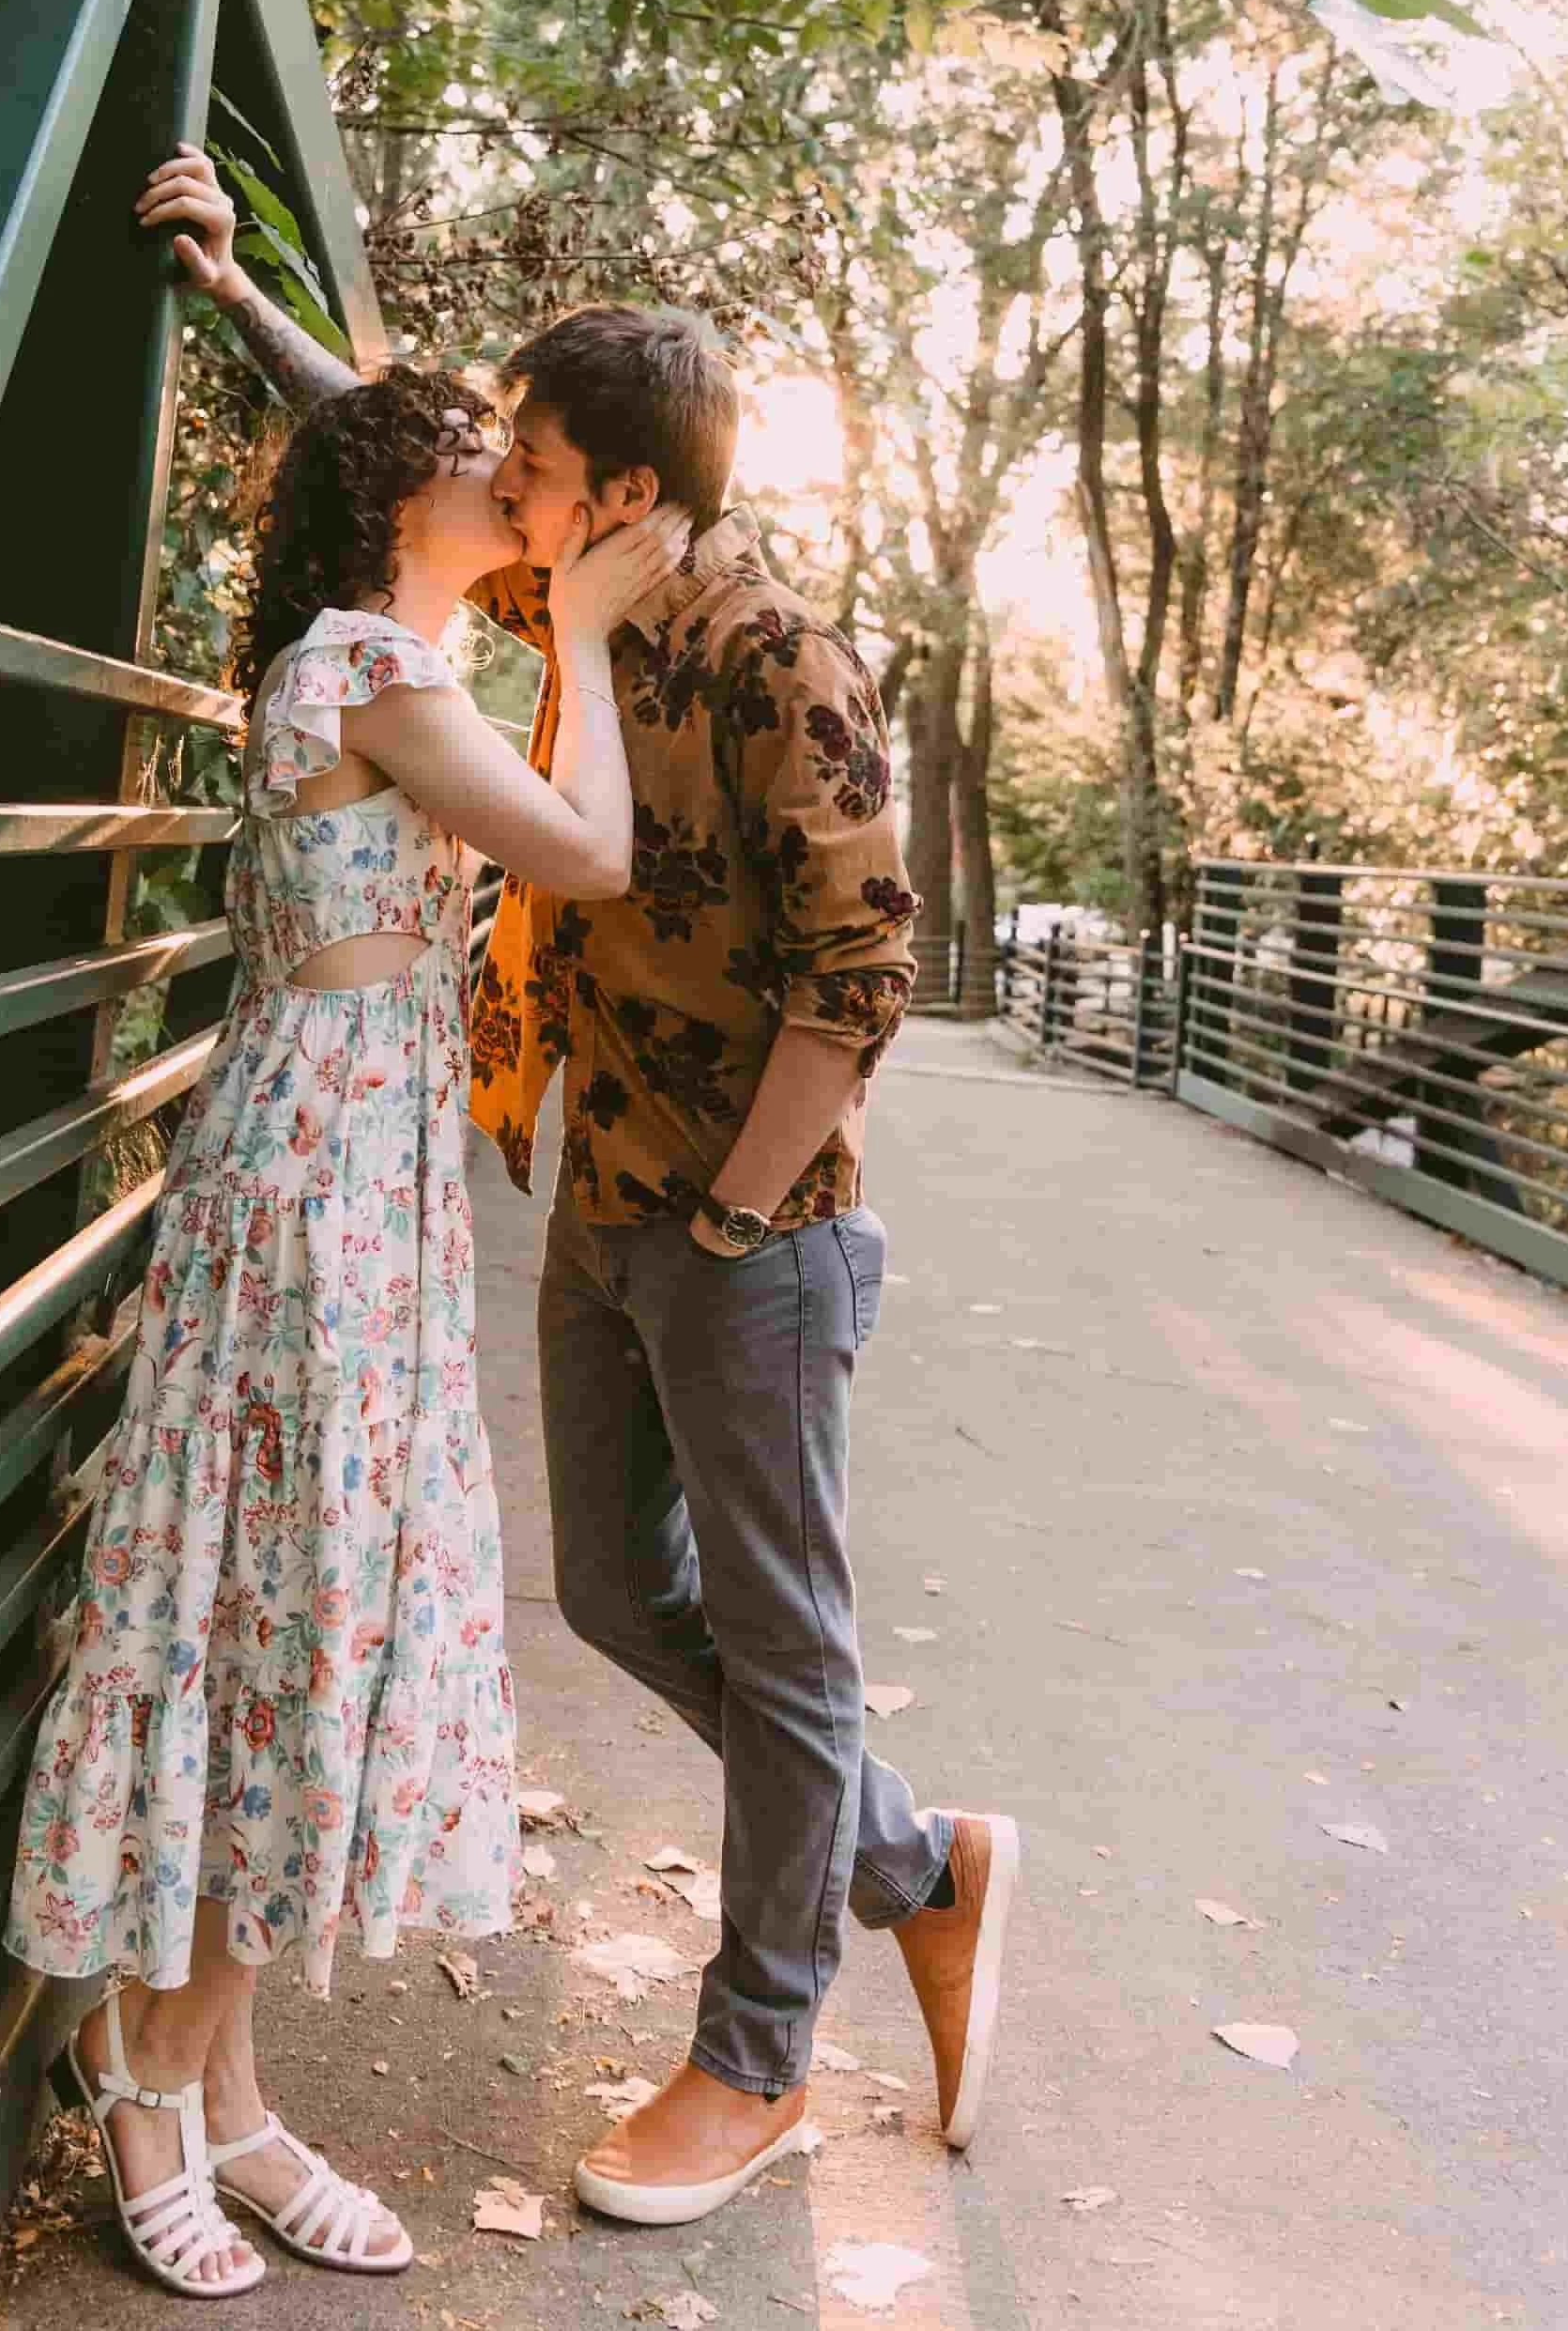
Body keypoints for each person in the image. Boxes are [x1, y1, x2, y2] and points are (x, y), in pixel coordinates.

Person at [133, 143, 1021, 2233]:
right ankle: (916, 1859)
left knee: (789, 1649)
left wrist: (732, 1212)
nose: (503, 480)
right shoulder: (547, 594)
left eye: (533, 456)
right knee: (621, 1598)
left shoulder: (779, 660)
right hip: (602, 1201)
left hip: (751, 1232)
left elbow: (865, 964)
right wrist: (236, 291)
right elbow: (387, 483)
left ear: (617, 491)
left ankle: (757, 2056)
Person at [6, 350, 689, 2298]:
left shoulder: (376, 652)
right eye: (497, 461)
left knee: (298, 1601)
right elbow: (587, 854)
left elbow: (363, 413)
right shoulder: (377, 671)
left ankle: (219, 2089)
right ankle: (150, 2073)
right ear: (411, 498)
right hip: (320, 1169)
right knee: (293, 1602)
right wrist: (579, 624)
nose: (526, 481)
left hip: (349, 1148)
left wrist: (238, 287)